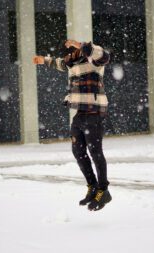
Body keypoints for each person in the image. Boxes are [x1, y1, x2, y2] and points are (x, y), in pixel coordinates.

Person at [33, 39, 111, 211]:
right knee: (78, 152)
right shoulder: (73, 61)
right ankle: (92, 186)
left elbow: (103, 55)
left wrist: (81, 45)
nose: (72, 54)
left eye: (77, 50)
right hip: (80, 114)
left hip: (94, 113)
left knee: (96, 152)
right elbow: (60, 63)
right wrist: (43, 60)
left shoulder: (94, 60)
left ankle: (103, 190)